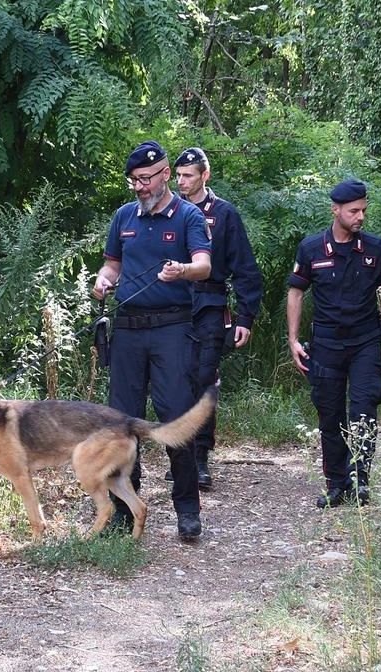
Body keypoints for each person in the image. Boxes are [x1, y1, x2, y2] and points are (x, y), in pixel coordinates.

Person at [92, 141, 212, 539]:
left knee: (176, 417)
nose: (140, 187)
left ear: (164, 175)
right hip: (128, 328)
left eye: (146, 179)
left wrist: (181, 271)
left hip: (172, 329)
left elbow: (204, 265)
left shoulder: (188, 216)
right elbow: (112, 265)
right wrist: (103, 281)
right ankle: (124, 511)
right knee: (119, 422)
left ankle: (187, 510)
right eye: (134, 181)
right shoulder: (124, 216)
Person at [286, 178, 381, 508]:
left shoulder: (376, 249)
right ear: (335, 210)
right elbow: (296, 292)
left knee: (364, 412)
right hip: (326, 346)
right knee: (330, 417)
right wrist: (293, 340)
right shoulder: (311, 249)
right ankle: (335, 484)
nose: (360, 217)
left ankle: (359, 480)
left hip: (365, 343)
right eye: (353, 211)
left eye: (363, 210)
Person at [169, 147, 264, 490]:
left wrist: (245, 317)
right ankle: (180, 457)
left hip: (209, 303)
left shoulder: (225, 214)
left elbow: (246, 270)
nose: (182, 182)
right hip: (172, 306)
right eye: (178, 175)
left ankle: (200, 459)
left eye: (188, 176)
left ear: (204, 175)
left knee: (204, 378)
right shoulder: (168, 212)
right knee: (175, 382)